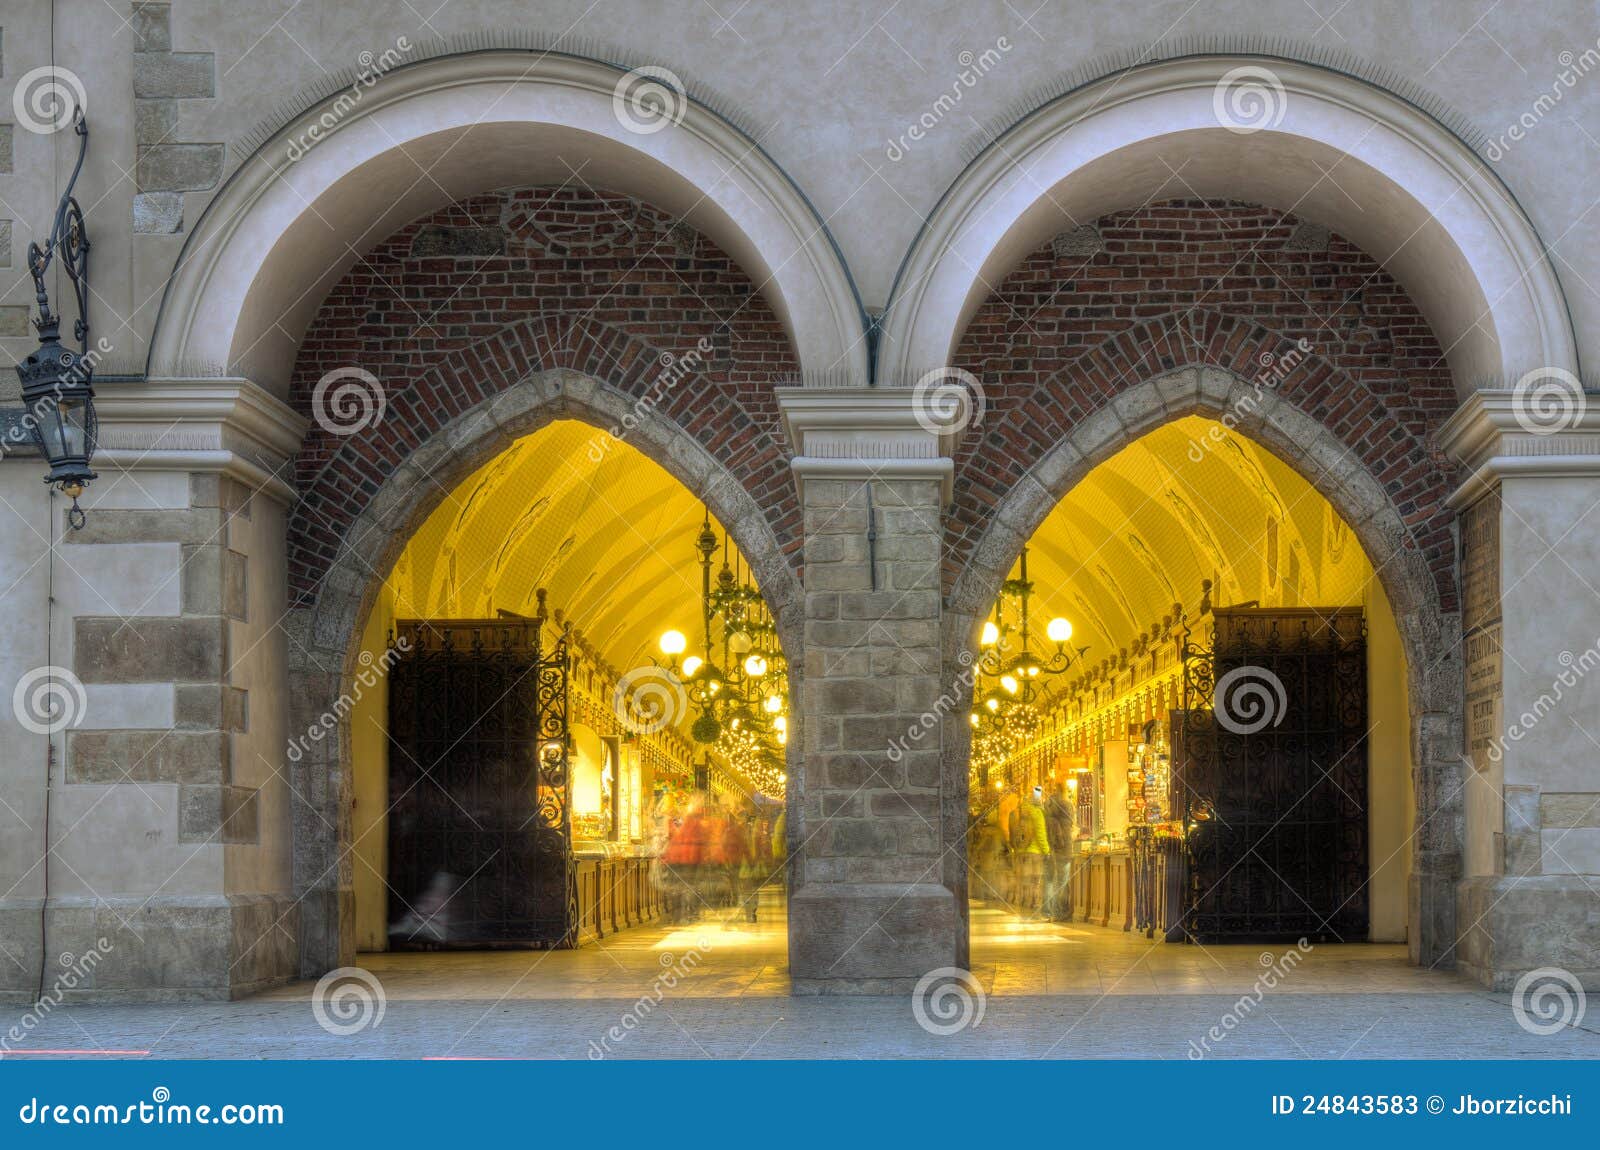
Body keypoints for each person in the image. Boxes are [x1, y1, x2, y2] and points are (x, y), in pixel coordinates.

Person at [1010, 785, 1052, 917]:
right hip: (1036, 851)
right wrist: (1046, 851)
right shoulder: (1037, 812)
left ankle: (1025, 901)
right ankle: (1035, 903)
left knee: (1025, 879)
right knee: (1036, 880)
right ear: (1039, 799)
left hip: (1023, 850)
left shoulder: (1021, 811)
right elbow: (1040, 834)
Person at [1043, 782, 1076, 920]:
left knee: (1055, 880)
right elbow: (1071, 825)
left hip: (1054, 847)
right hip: (1065, 847)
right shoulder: (1066, 805)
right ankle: (1060, 912)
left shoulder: (1049, 807)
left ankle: (1052, 910)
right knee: (1062, 882)